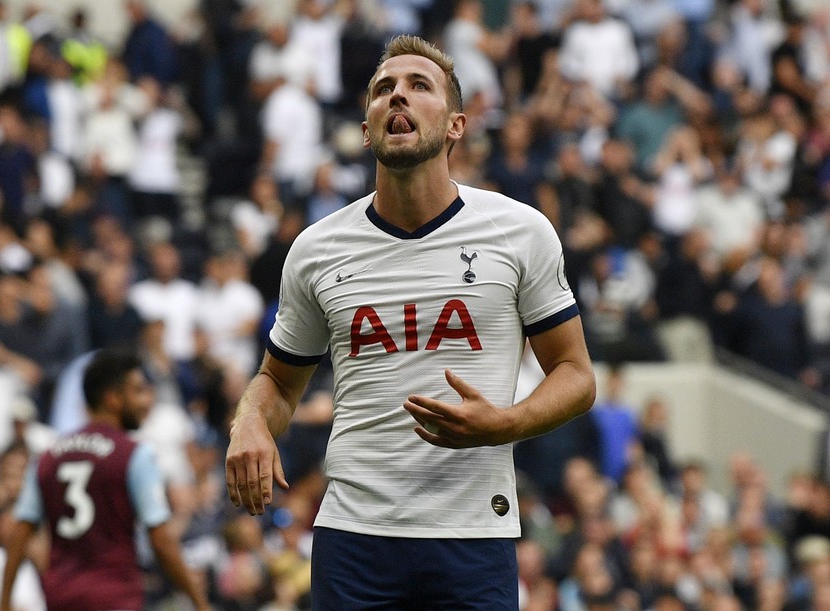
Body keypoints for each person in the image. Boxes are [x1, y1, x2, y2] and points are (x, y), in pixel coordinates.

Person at [225, 34, 596, 609]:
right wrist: (249, 421)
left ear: (455, 125)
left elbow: (576, 374)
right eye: (383, 89)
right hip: (353, 538)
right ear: (368, 128)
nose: (397, 96)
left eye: (419, 86)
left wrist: (506, 423)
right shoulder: (317, 249)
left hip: (473, 535)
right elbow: (277, 382)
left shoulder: (520, 232)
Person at [0, 349, 210, 611]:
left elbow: (20, 531)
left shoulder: (48, 456)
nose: (146, 402)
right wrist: (200, 603)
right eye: (137, 391)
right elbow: (161, 541)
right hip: (115, 598)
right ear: (112, 398)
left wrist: (3, 602)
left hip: (61, 598)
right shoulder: (134, 455)